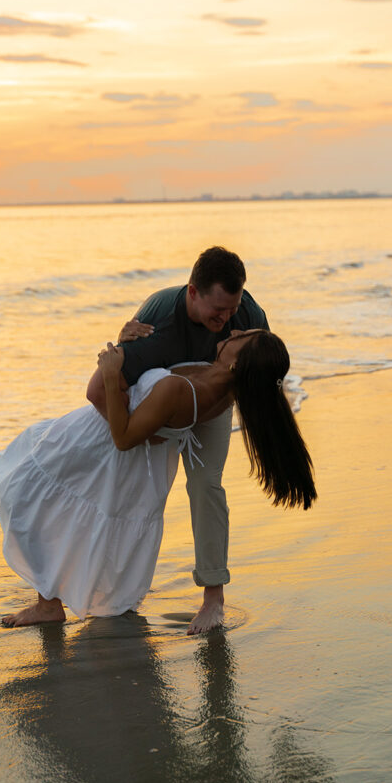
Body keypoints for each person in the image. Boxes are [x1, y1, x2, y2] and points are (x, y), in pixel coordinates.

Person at [0, 329, 315, 630]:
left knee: (29, 494)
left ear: (237, 365)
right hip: (115, 456)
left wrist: (112, 374)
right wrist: (130, 338)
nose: (230, 335)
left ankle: (48, 605)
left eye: (239, 339)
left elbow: (124, 436)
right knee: (30, 466)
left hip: (96, 443)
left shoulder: (185, 388)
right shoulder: (224, 388)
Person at [86, 245, 268, 635]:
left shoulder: (247, 315)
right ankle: (111, 591)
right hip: (165, 405)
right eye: (216, 310)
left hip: (215, 403)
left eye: (231, 309)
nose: (225, 318)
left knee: (206, 484)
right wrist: (143, 432)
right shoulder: (158, 323)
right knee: (134, 490)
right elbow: (104, 385)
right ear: (192, 293)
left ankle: (213, 597)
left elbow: (266, 374)